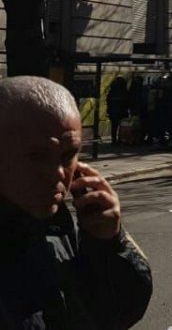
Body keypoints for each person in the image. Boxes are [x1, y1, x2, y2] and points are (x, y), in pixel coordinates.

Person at [0, 76, 153, 328]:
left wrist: (109, 242)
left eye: (68, 155)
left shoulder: (56, 225)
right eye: (37, 156)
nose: (58, 173)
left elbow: (115, 313)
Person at [106, 77, 130, 146]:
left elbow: (108, 101)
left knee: (114, 126)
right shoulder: (124, 91)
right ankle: (120, 139)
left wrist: (109, 109)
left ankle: (114, 140)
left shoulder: (112, 91)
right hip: (122, 111)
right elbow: (127, 101)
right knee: (122, 126)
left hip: (113, 111)